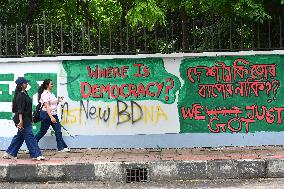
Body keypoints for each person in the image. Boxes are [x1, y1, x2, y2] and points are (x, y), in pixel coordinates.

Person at [3, 77, 45, 161]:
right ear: (22, 85)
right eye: (25, 83)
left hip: (26, 119)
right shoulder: (20, 96)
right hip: (22, 119)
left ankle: (10, 153)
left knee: (20, 137)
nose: (27, 84)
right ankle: (36, 154)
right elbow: (20, 110)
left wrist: (30, 118)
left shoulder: (25, 93)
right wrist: (21, 121)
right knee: (30, 136)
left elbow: (26, 108)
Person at [35, 79, 70, 152]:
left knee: (58, 130)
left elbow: (53, 104)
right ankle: (32, 145)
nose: (52, 85)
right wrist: (51, 117)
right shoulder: (44, 94)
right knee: (42, 131)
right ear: (47, 85)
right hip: (46, 115)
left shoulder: (51, 93)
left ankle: (61, 148)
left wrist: (58, 101)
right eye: (51, 84)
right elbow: (47, 106)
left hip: (53, 114)